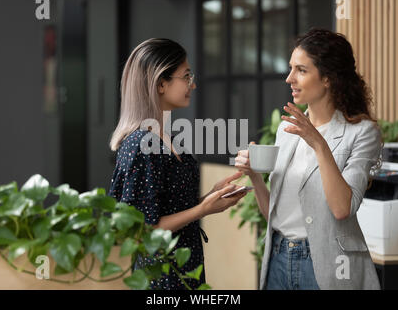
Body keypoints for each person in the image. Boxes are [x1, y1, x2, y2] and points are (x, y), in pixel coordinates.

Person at [235, 29, 382, 290]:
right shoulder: (287, 129)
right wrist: (255, 176)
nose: (289, 78)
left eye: (301, 70)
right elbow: (275, 215)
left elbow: (342, 209)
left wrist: (317, 142)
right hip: (278, 260)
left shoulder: (362, 133)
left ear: (327, 78)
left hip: (328, 265)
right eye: (291, 69)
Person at [108, 38, 247, 290]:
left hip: (186, 270)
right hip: (163, 278)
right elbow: (143, 229)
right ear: (161, 83)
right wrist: (202, 209)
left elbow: (167, 209)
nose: (192, 84)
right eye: (186, 76)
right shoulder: (140, 143)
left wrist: (210, 198)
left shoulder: (167, 138)